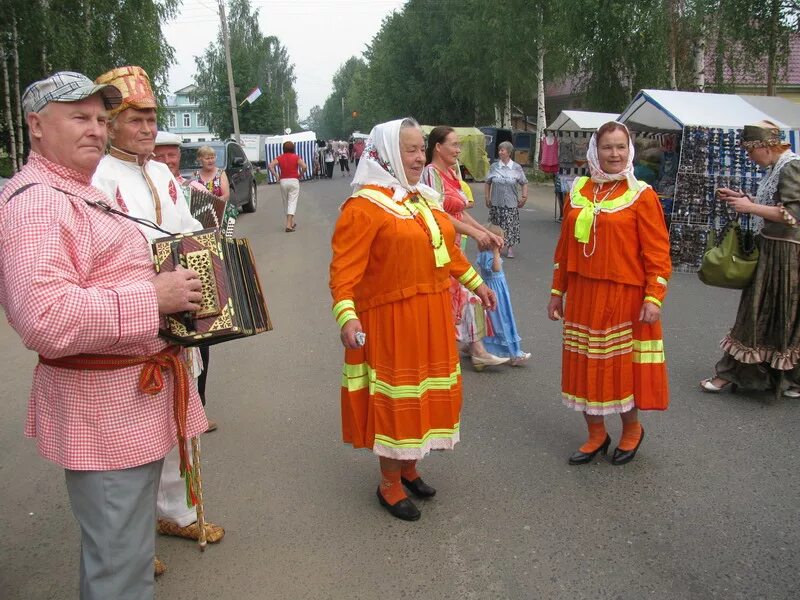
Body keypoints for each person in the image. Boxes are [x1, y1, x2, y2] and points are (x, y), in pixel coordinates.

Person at [0, 70, 207, 599]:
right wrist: (152, 299)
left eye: (99, 117)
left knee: (129, 553)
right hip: (105, 414)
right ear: (37, 126)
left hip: (126, 405)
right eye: (79, 117)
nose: (95, 128)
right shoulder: (39, 202)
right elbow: (43, 315)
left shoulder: (74, 190)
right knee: (119, 568)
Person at [330, 118, 498, 521]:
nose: (419, 156)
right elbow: (343, 272)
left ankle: (408, 467)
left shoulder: (421, 198)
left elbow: (448, 253)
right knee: (400, 400)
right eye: (409, 149)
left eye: (420, 148)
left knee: (424, 395)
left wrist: (477, 285)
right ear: (387, 153)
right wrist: (347, 318)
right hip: (392, 321)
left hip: (432, 314)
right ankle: (388, 483)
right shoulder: (364, 207)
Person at [92, 66, 225, 574]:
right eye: (137, 119)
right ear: (110, 123)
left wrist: (216, 265)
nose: (149, 128)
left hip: (178, 319)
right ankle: (129, 542)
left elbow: (188, 230)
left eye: (152, 118)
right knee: (130, 437)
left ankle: (174, 511)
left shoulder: (164, 173)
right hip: (132, 321)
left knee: (176, 422)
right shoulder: (98, 177)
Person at [547, 121, 671, 466]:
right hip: (584, 295)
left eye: (620, 147)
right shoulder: (579, 190)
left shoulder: (641, 194)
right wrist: (557, 292)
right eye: (607, 147)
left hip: (623, 297)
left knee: (619, 369)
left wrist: (653, 296)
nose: (614, 154)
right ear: (594, 150)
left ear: (629, 150)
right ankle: (596, 434)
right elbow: (565, 248)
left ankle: (632, 430)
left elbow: (658, 253)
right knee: (585, 366)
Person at [701, 121, 800, 398]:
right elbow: (774, 205)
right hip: (772, 248)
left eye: (749, 151)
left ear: (763, 147)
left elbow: (792, 214)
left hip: (785, 253)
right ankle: (788, 378)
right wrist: (742, 198)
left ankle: (729, 374)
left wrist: (750, 207)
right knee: (777, 314)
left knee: (757, 312)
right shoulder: (776, 168)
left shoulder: (791, 166)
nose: (748, 157)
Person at [422, 126, 508, 371]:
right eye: (454, 144)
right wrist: (476, 232)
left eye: (459, 145)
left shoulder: (450, 173)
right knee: (462, 296)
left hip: (455, 246)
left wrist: (486, 232)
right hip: (440, 247)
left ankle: (472, 348)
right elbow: (438, 214)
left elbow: (458, 211)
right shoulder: (431, 174)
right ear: (438, 147)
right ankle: (470, 350)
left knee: (464, 295)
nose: (459, 150)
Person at [477, 224, 531, 366]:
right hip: (496, 291)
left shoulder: (484, 254)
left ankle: (487, 350)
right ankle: (514, 354)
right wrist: (496, 252)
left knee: (495, 321)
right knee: (503, 320)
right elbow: (496, 268)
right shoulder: (489, 255)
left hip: (495, 289)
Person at [485, 141, 528, 258]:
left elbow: (524, 183)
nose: (500, 152)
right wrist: (487, 197)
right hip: (496, 202)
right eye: (499, 150)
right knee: (496, 225)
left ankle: (509, 248)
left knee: (510, 226)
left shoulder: (516, 168)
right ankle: (496, 247)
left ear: (508, 152)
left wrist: (524, 197)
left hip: (511, 203)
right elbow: (488, 182)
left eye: (502, 150)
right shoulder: (494, 167)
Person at [268, 140, 308, 232]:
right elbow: (305, 167)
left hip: (283, 181)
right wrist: (301, 174)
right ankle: (289, 225)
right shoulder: (296, 157)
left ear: (284, 149)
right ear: (293, 148)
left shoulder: (279, 158)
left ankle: (291, 222)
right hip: (294, 181)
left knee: (286, 202)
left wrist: (276, 175)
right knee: (292, 202)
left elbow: (270, 166)